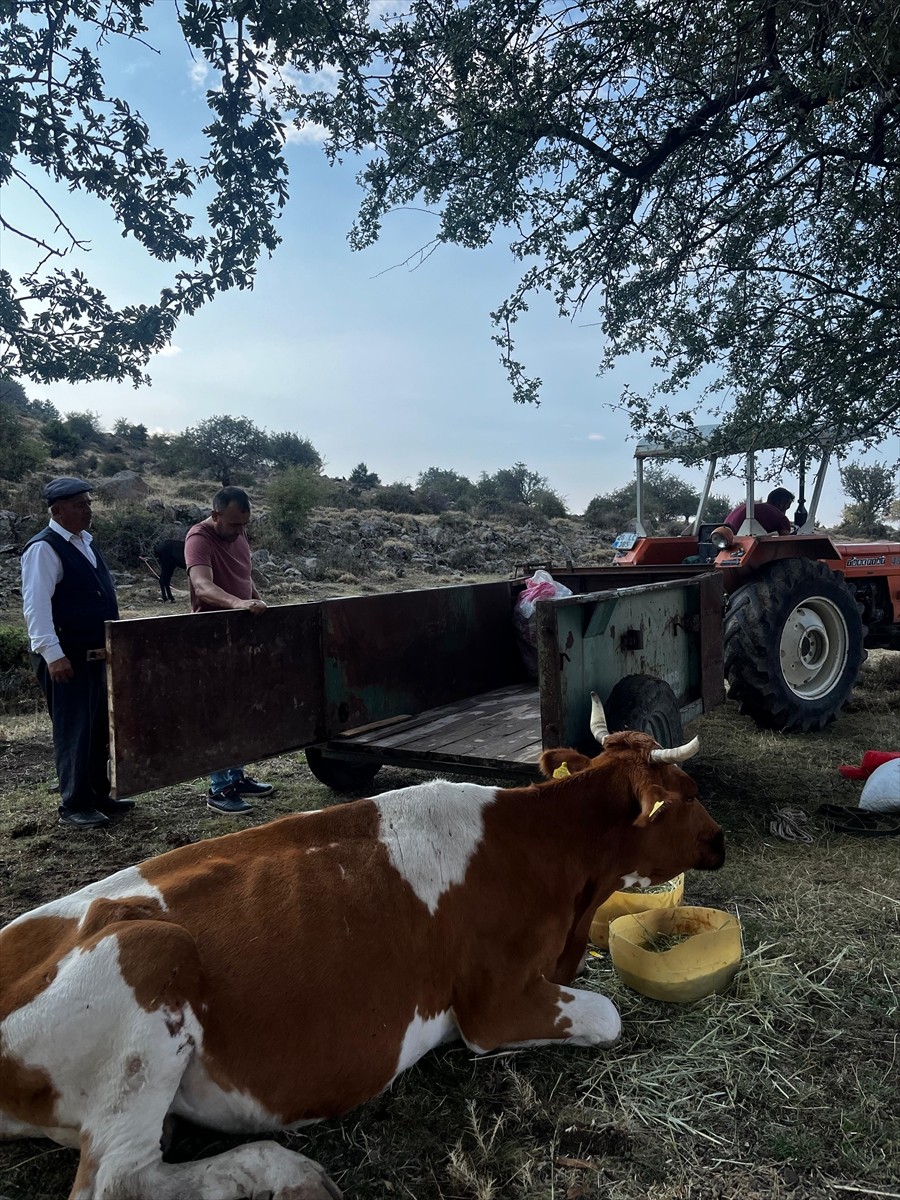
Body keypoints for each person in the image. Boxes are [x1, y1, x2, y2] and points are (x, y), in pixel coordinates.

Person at [21, 477, 134, 829]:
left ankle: (98, 794)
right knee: (74, 729)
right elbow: (36, 607)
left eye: (88, 503)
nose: (88, 510)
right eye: (80, 505)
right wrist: (53, 654)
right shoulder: (44, 548)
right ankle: (74, 804)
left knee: (99, 726)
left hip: (96, 653)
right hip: (66, 655)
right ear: (57, 510)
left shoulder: (85, 541)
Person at [184, 486, 274, 815]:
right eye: (235, 525)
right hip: (213, 635)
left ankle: (236, 776)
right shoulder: (199, 538)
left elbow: (245, 577)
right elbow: (203, 588)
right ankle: (219, 789)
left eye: (244, 525)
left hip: (242, 632)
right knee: (218, 712)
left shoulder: (239, 533)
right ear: (216, 514)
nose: (240, 531)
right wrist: (239, 604)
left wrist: (258, 600)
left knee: (240, 707)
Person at [724, 487, 794, 535]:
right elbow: (785, 540)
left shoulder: (748, 508)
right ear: (782, 504)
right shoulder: (779, 517)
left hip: (725, 539)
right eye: (787, 507)